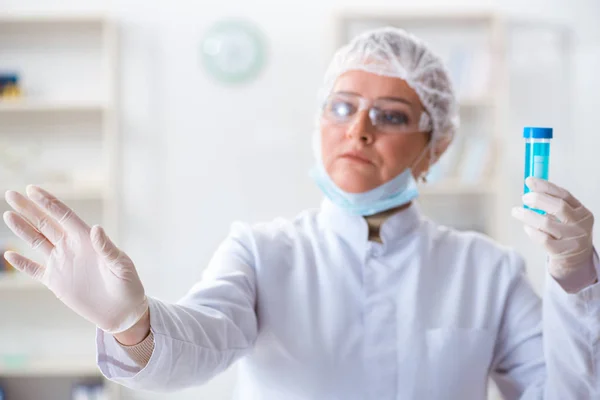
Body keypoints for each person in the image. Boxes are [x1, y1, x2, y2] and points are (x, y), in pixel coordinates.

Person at [3, 27, 599, 400]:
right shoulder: (264, 251)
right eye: (343, 107)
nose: (358, 130)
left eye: (390, 115)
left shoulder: (486, 269)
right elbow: (202, 345)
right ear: (320, 123)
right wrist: (132, 323)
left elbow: (565, 394)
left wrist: (577, 277)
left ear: (435, 146)